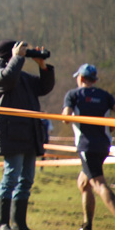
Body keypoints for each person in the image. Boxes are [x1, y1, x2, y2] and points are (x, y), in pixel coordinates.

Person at [0, 40, 55, 230]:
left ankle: (19, 223)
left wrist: (43, 67)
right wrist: (18, 58)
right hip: (11, 132)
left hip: (29, 133)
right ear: (10, 55)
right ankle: (3, 224)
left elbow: (43, 88)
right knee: (11, 176)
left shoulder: (20, 74)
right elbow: (5, 80)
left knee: (26, 180)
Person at [61, 63, 115, 230]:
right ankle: (87, 225)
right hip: (103, 145)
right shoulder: (105, 95)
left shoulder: (73, 95)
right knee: (84, 183)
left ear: (81, 78)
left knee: (98, 184)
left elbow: (65, 118)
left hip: (86, 146)